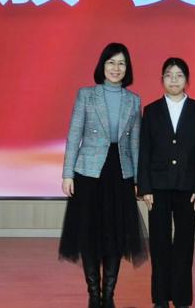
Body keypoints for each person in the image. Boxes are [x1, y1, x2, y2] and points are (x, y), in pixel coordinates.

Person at [59, 42, 148, 308]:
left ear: (127, 68)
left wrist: (138, 180)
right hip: (88, 172)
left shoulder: (134, 100)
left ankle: (109, 295)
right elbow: (74, 135)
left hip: (120, 173)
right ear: (102, 65)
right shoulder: (86, 95)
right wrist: (67, 173)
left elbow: (135, 144)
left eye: (121, 63)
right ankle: (94, 295)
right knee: (89, 235)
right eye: (111, 62)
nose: (116, 68)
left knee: (115, 236)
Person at [138, 57, 195, 308]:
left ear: (187, 80)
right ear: (162, 80)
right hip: (157, 187)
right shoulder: (151, 110)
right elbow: (144, 150)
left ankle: (182, 299)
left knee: (184, 244)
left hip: (188, 188)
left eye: (179, 75)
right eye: (169, 75)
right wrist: (144, 187)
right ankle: (160, 298)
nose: (174, 80)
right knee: (159, 244)